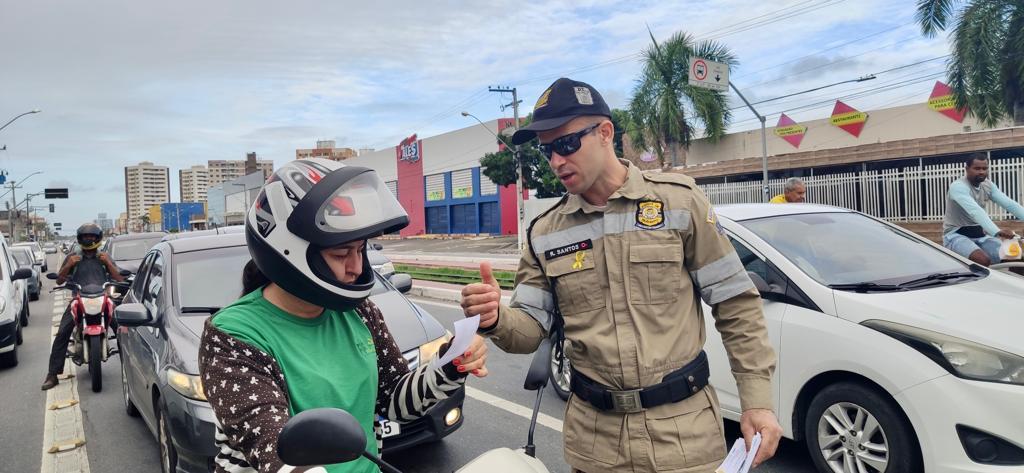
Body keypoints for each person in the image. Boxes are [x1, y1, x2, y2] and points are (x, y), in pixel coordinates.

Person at [461, 78, 781, 473]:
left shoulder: (678, 202)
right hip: (596, 444)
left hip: (685, 438)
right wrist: (495, 318)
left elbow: (736, 304)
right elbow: (529, 331)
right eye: (547, 150)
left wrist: (757, 401)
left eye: (566, 144)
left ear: (605, 133)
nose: (556, 161)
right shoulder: (546, 232)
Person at [198, 158, 489, 473]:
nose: (358, 268)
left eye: (360, 250)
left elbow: (392, 400)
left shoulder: (359, 312)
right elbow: (274, 448)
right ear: (286, 251)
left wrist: (451, 364)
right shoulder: (232, 336)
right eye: (341, 254)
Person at [41, 223, 124, 390]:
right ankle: (52, 374)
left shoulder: (104, 257)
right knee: (63, 332)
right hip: (79, 299)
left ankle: (129, 366)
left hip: (103, 298)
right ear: (80, 239)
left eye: (92, 236)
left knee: (122, 329)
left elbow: (119, 279)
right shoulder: (73, 257)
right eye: (86, 236)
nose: (89, 239)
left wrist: (108, 263)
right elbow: (59, 280)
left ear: (98, 238)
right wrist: (68, 265)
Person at [943, 152, 1024, 267]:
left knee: (1013, 258)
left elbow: (1009, 204)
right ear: (967, 169)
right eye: (977, 168)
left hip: (981, 235)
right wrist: (996, 231)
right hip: (956, 236)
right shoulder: (958, 186)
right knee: (983, 260)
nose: (981, 172)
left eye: (984, 168)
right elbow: (975, 210)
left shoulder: (988, 185)